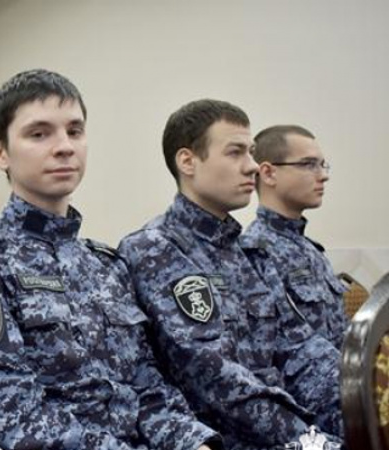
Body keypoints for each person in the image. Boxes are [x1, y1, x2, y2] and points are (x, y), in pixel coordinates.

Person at [0, 69, 219, 450]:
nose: (64, 146)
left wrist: (190, 440)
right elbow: (12, 412)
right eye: (39, 134)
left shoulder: (106, 264)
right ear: (0, 153)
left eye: (74, 131)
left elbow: (147, 385)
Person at [118, 99, 343, 448]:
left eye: (251, 152)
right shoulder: (155, 249)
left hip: (289, 427)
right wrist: (310, 441)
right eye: (236, 152)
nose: (252, 166)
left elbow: (301, 351)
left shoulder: (249, 253)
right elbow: (214, 376)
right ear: (188, 161)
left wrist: (359, 402)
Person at [241, 125, 347, 349]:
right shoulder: (255, 253)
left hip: (342, 378)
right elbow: (273, 351)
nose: (324, 176)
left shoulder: (311, 250)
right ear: (268, 173)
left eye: (322, 165)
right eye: (308, 164)